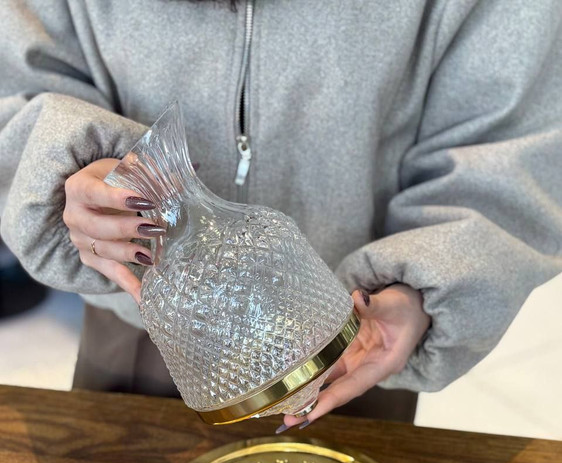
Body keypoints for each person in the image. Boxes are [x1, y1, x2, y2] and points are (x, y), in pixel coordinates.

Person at [1, 0, 561, 430]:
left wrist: (426, 281)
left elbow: (513, 140)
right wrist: (69, 173)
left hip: (358, 338)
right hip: (138, 324)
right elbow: (15, 77)